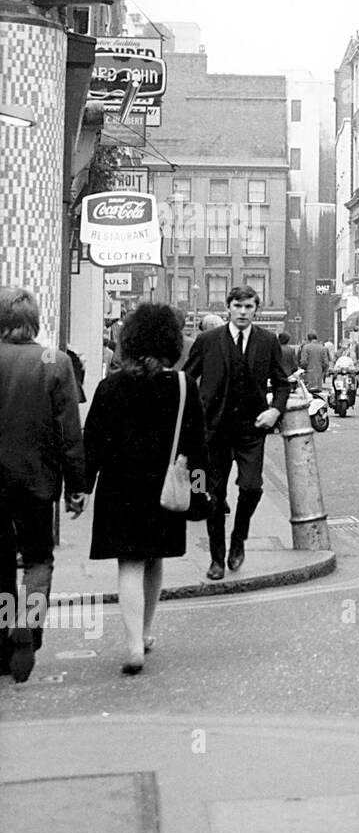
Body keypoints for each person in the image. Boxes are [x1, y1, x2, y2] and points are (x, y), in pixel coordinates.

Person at [83, 304, 210, 675]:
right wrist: (199, 495)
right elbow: (197, 448)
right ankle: (148, 630)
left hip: (119, 489)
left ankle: (133, 643)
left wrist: (81, 487)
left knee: (130, 562)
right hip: (164, 490)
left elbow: (93, 443)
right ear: (172, 343)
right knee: (154, 558)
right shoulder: (184, 387)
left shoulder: (110, 387)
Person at [0, 288, 87, 683]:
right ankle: (29, 627)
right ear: (34, 320)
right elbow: (69, 431)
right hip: (37, 481)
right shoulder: (55, 361)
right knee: (37, 560)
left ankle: (4, 639)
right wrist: (76, 486)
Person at [183, 286, 291, 581]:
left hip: (251, 429)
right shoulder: (207, 341)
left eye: (249, 307)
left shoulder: (267, 341)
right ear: (228, 307)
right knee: (213, 496)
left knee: (252, 487)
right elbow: (187, 380)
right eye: (238, 306)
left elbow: (282, 383)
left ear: (256, 310)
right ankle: (217, 559)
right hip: (214, 431)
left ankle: (239, 537)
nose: (243, 312)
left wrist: (275, 411)